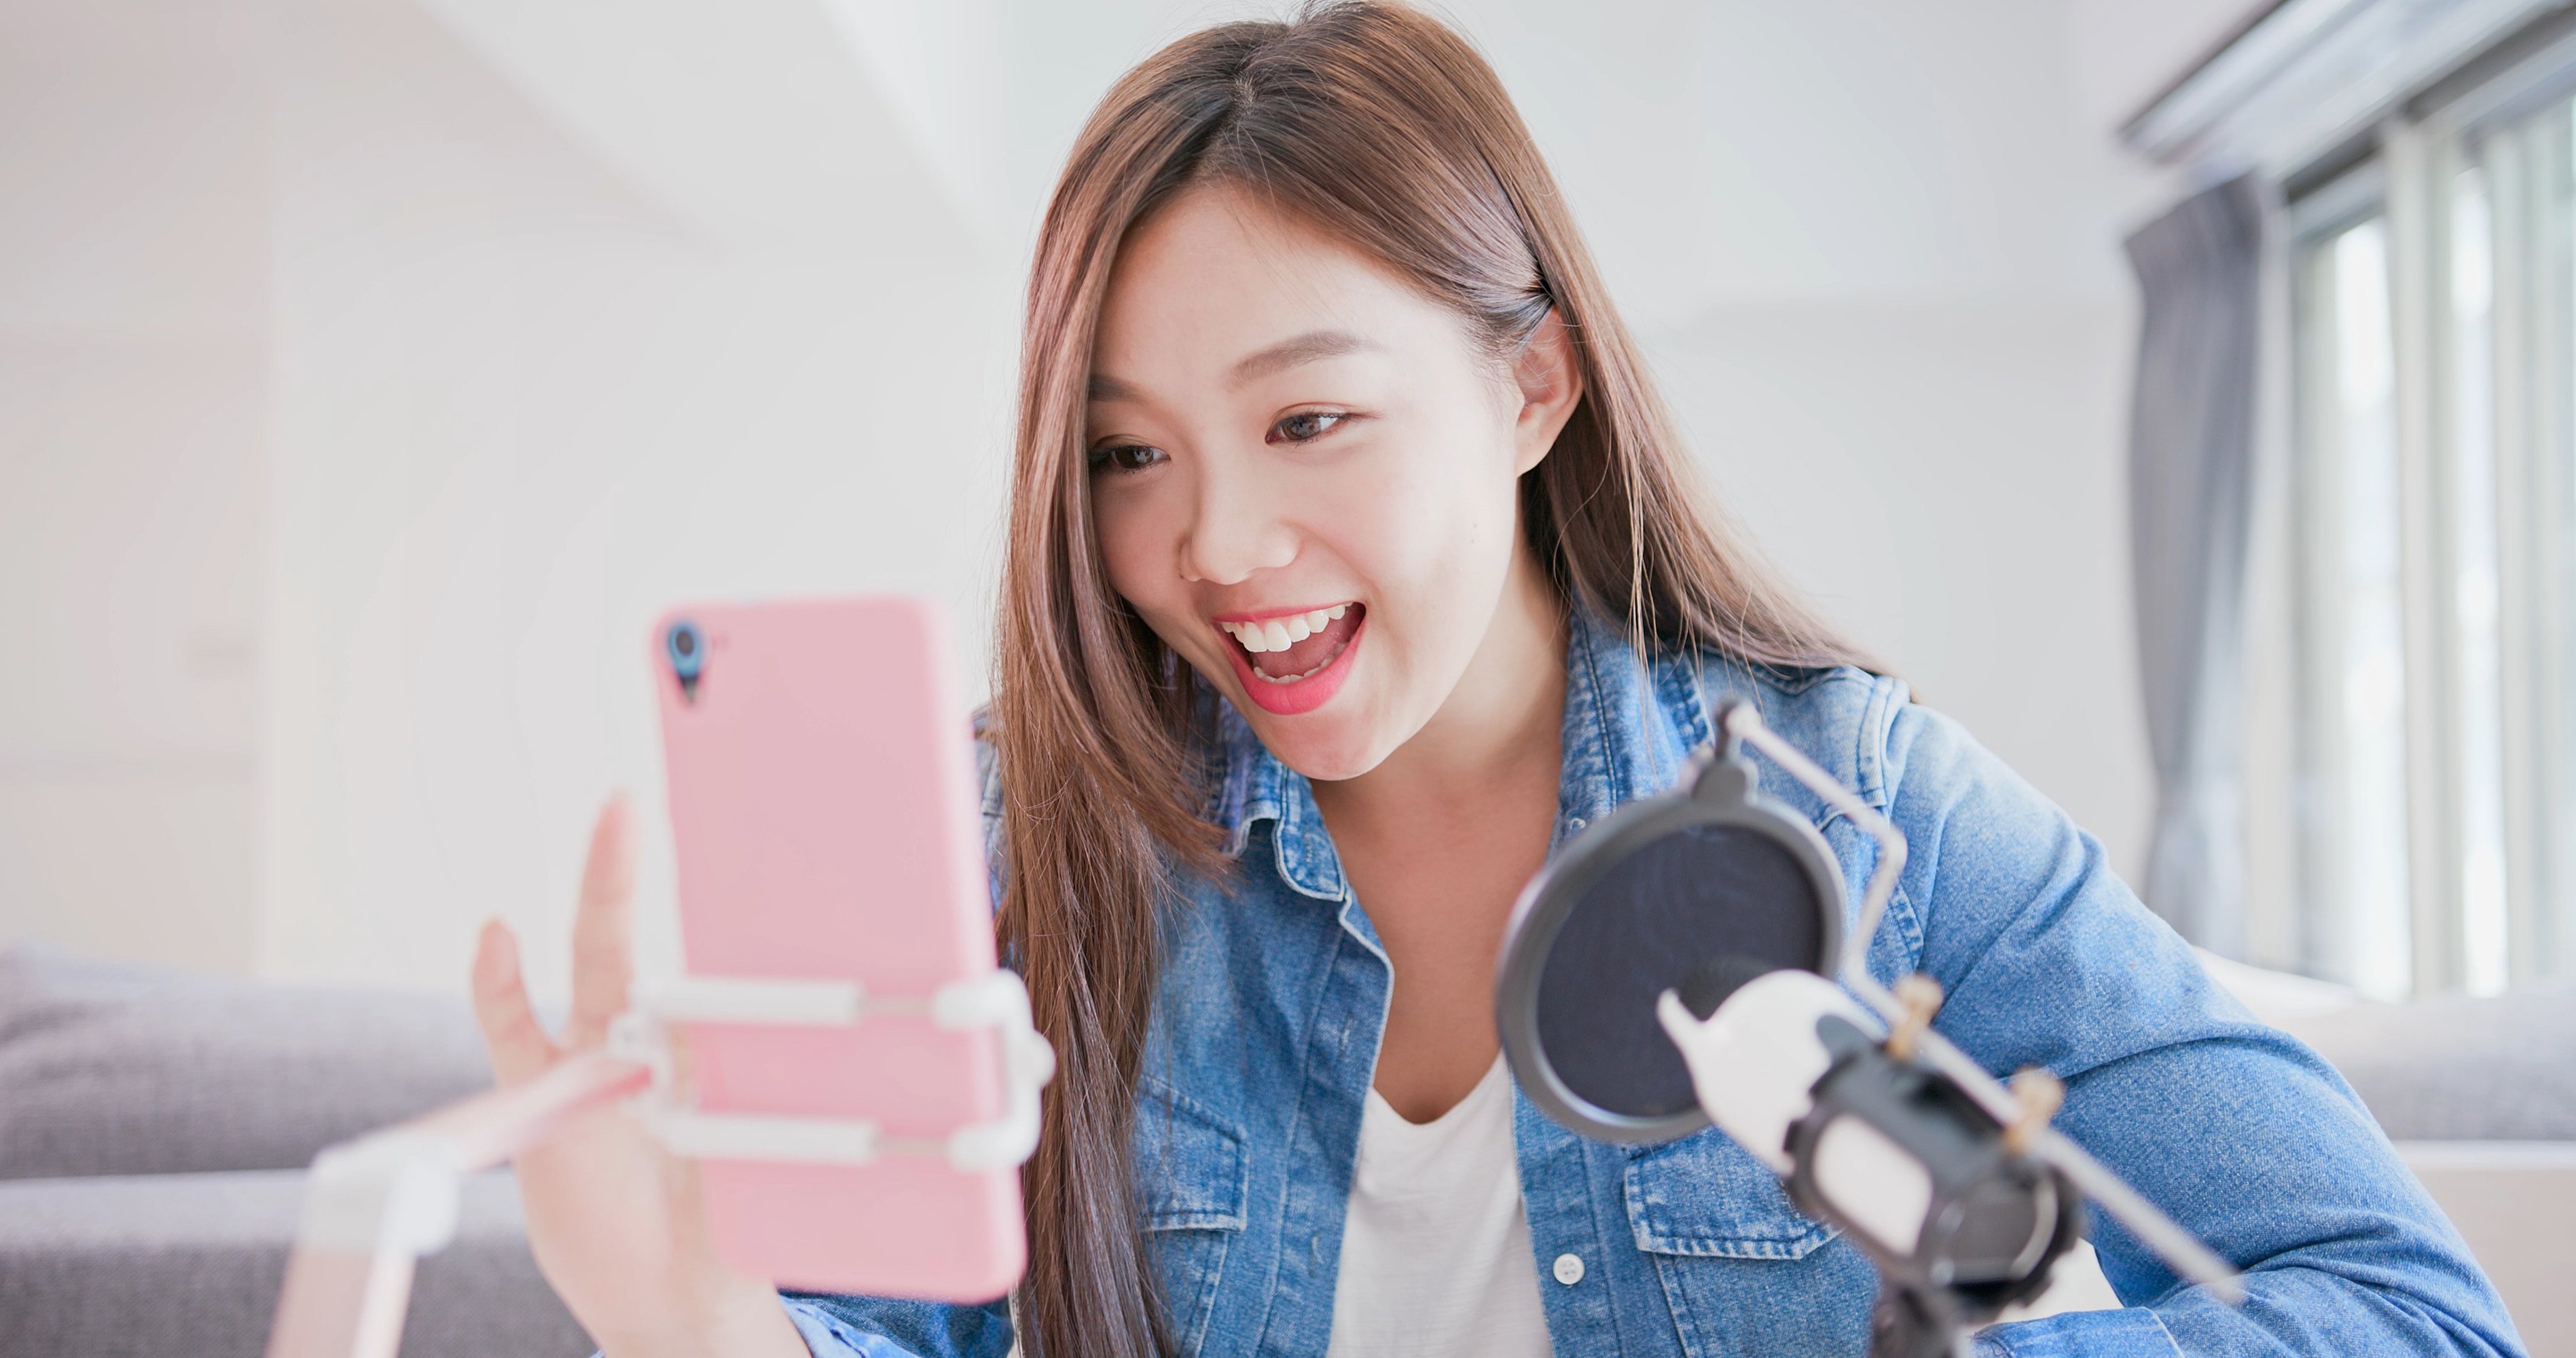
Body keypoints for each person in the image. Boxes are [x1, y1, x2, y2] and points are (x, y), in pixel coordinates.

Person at [466, 5, 2525, 1357]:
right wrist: (701, 1328)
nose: (1215, 547)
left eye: (1309, 422)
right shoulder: (1027, 840)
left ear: (1529, 388)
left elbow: (2411, 1312)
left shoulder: (1864, 816)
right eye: (1127, 457)